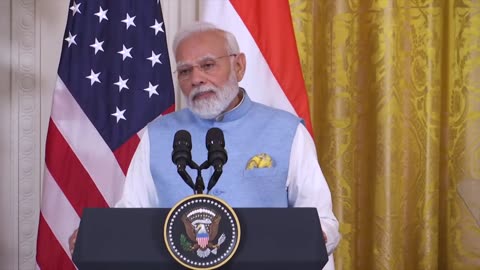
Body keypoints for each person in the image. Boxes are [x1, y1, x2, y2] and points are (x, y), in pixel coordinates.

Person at [70, 21, 340, 269]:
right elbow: (131, 214)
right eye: (185, 71)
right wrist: (98, 236)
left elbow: (322, 222)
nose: (196, 79)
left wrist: (312, 238)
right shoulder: (158, 135)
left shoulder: (287, 131)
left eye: (208, 65)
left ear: (239, 66)